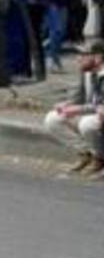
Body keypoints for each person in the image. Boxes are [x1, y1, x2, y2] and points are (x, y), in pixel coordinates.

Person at [42, 41, 104, 175]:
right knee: (53, 119)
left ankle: (100, 158)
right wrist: (67, 103)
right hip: (92, 112)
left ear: (98, 57)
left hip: (99, 114)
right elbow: (79, 95)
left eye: (83, 55)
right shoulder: (87, 72)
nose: (78, 58)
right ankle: (86, 154)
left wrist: (77, 109)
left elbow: (101, 105)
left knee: (87, 124)